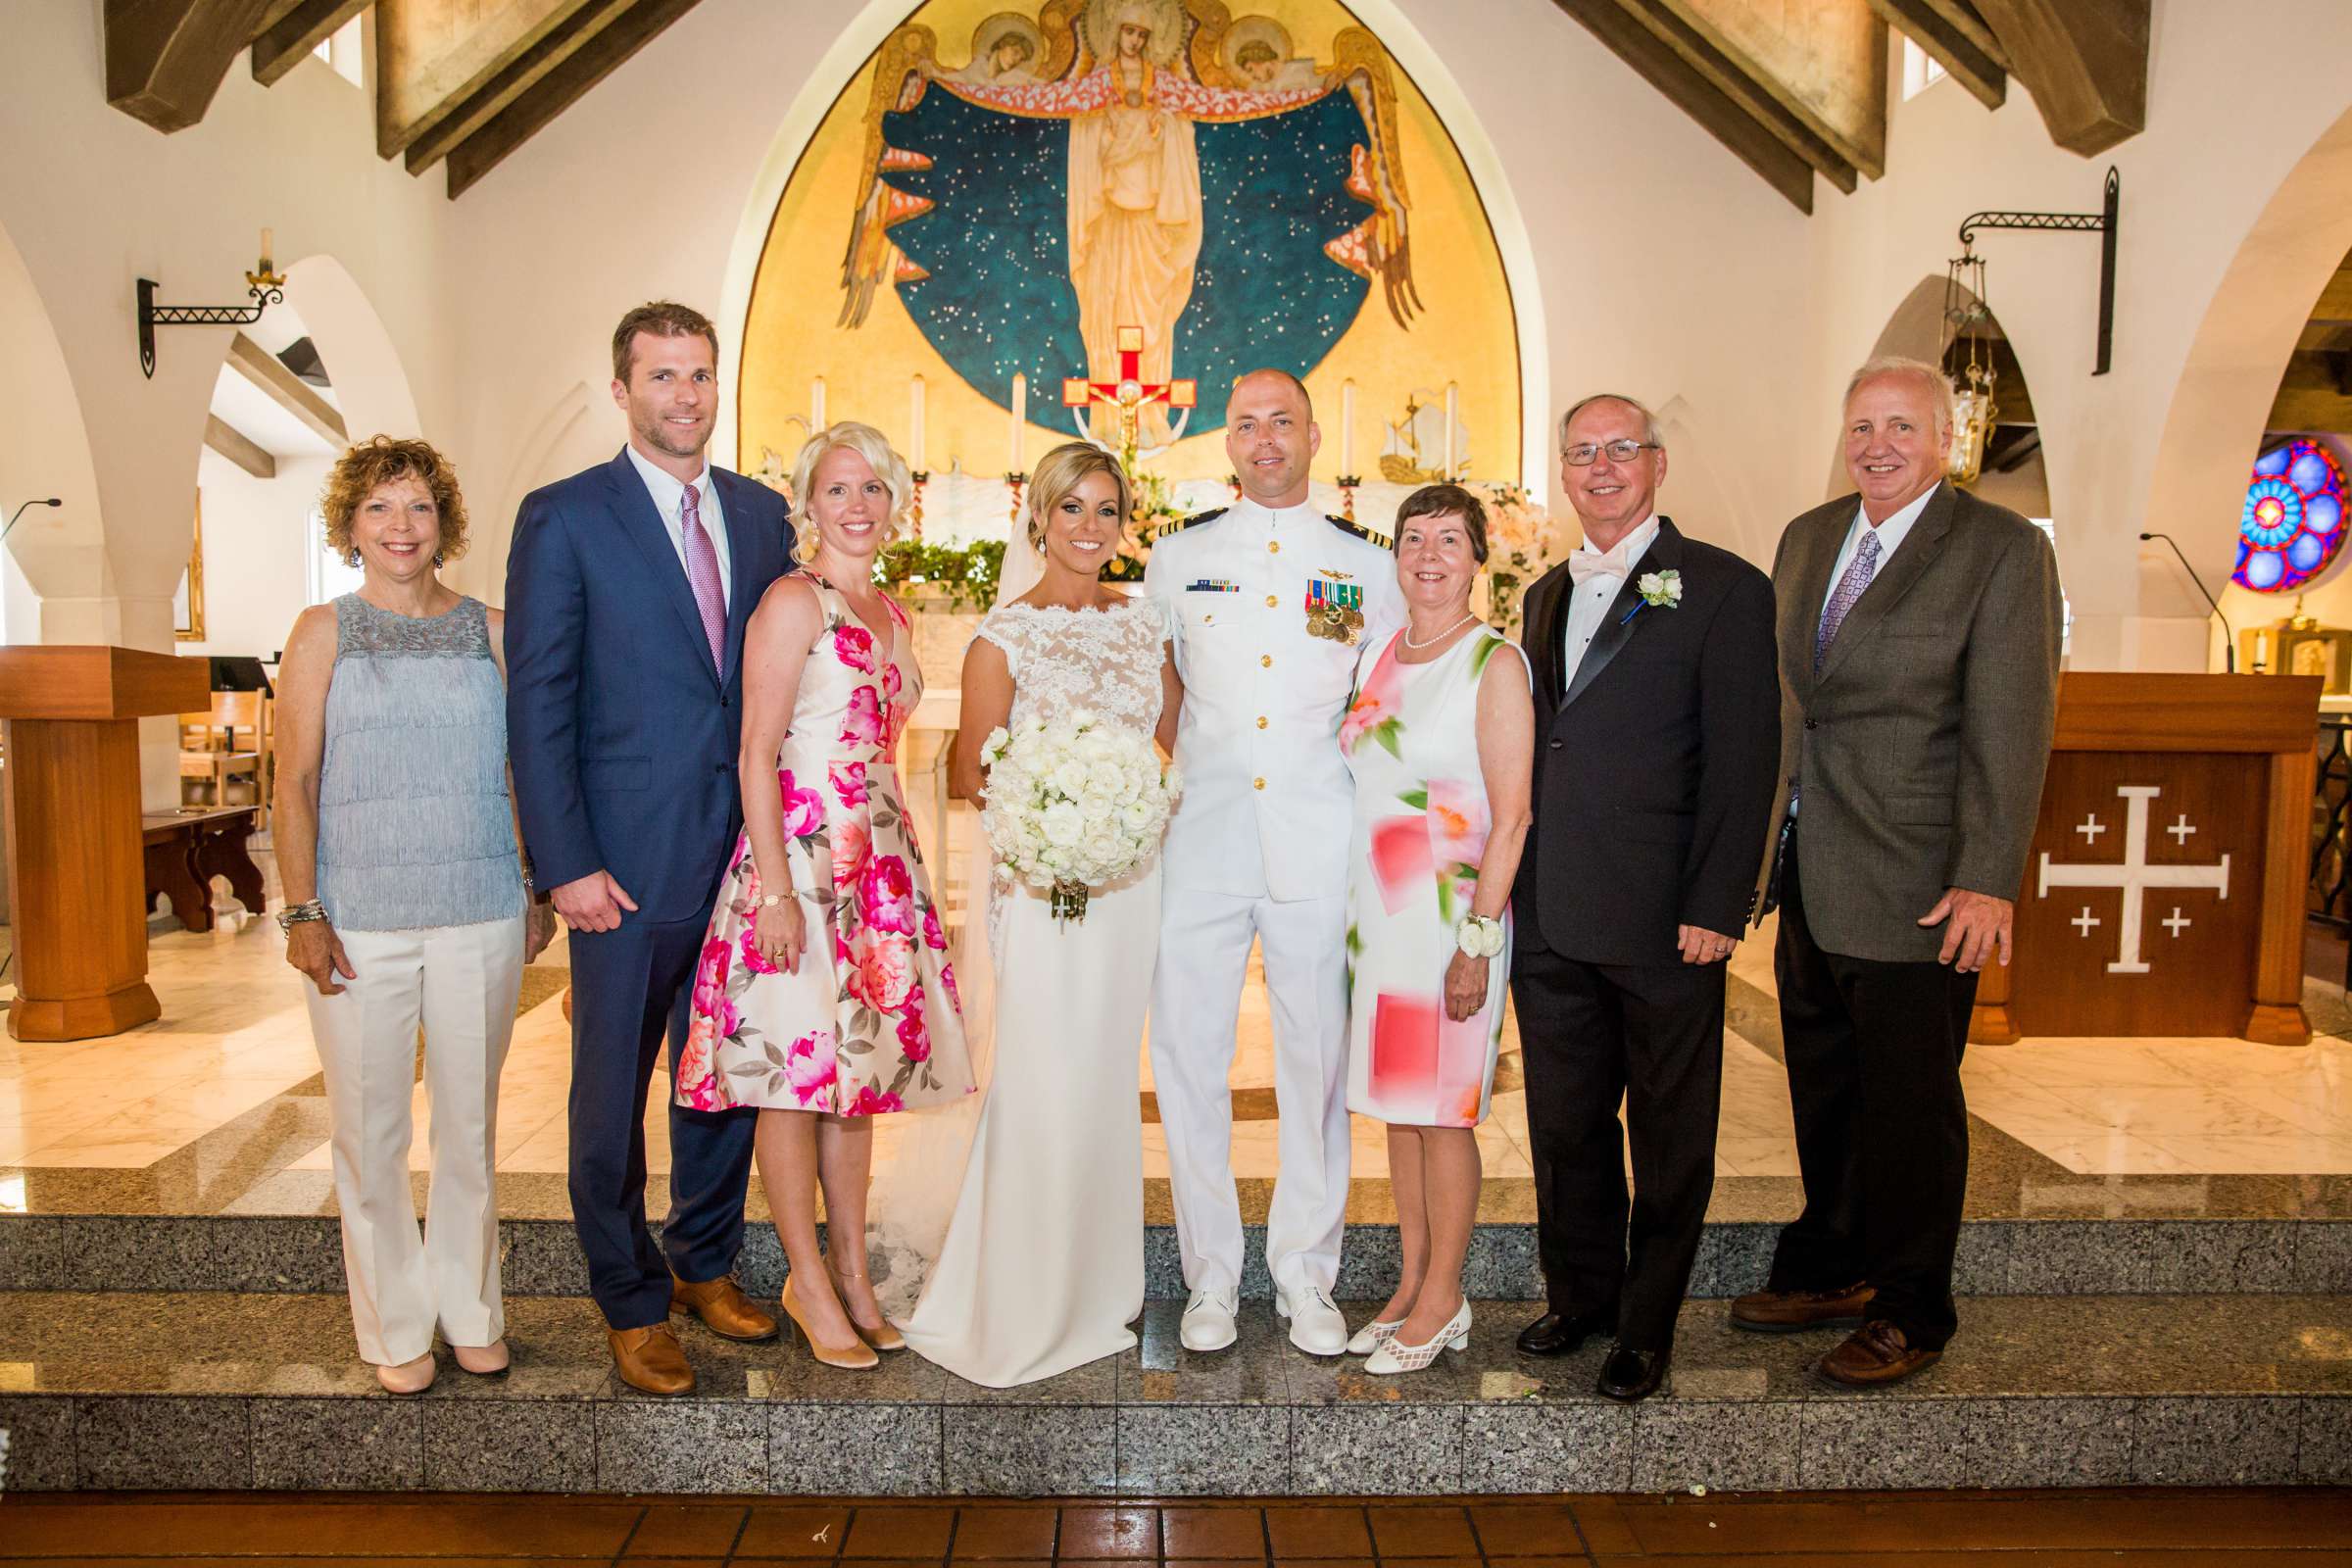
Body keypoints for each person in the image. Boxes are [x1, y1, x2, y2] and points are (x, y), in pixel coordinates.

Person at [1736, 356, 2061, 1387]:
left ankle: (1915, 1305)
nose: (1876, 445)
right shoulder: (1808, 537)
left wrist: (1989, 876)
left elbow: (2013, 724)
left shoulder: (1999, 551)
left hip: (1923, 879)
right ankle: (1835, 1262)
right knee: (1827, 1084)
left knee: (1911, 1104)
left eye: (1899, 427)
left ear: (1945, 439)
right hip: (1813, 869)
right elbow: (1794, 704)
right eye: (1862, 426)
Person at [506, 302, 795, 1396]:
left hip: (742, 855)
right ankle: (628, 1299)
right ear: (621, 389)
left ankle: (702, 1259)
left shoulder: (763, 515)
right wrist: (565, 860)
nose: (685, 395)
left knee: (725, 1074)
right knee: (610, 1090)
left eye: (701, 375)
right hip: (621, 863)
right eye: (662, 376)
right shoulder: (566, 516)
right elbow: (538, 700)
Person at [872, 440, 1182, 1387]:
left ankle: (1094, 1291)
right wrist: (1061, 823)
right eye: (1072, 509)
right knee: (1044, 1078)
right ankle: (1020, 1296)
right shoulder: (1003, 636)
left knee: (1099, 1081)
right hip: (1046, 891)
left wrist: (1118, 816)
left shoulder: (1147, 628)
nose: (1090, 529)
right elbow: (972, 773)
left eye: (1105, 511)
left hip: (1130, 890)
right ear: (1039, 517)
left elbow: (1165, 751)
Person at [678, 420, 975, 1371]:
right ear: (808, 504)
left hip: (878, 866)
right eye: (838, 489)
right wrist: (773, 887)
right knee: (798, 1083)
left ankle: (854, 1274)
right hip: (800, 865)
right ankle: (806, 1281)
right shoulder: (792, 603)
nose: (856, 505)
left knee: (858, 1090)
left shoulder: (893, 613)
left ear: (895, 503)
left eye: (873, 488)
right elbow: (756, 751)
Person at [1507, 396, 1780, 1401]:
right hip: (1553, 912)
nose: (1601, 466)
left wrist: (1717, 903)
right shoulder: (1542, 594)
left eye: (1621, 448)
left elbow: (1746, 760)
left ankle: (1646, 1324)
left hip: (1669, 918)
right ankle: (1579, 1296)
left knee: (1668, 1131)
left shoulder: (1723, 589)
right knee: (1565, 1122)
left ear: (1657, 463)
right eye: (1582, 452)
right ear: (1565, 472)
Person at [275, 435, 555, 1395]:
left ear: (445, 523)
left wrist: (530, 886)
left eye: (419, 509)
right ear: (351, 526)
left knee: (470, 1132)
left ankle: (473, 1312)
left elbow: (523, 773)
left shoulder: (493, 630)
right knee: (373, 1133)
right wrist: (302, 910)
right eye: (380, 510)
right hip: (358, 922)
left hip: (478, 906)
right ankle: (396, 1324)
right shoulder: (323, 632)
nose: (401, 527)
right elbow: (295, 785)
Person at [1145, 368, 1404, 1354]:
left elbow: (1379, 700)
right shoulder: (1178, 558)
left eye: (1281, 421)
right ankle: (1211, 1277)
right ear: (1227, 443)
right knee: (1188, 1057)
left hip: (1316, 840)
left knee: (1315, 1061)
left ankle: (1307, 1276)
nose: (1264, 439)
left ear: (1311, 435)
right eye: (1246, 424)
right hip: (1202, 840)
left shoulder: (1363, 565)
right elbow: (1160, 685)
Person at [1337, 485, 1532, 1375]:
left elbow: (1516, 815)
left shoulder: (1494, 663)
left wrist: (1478, 941)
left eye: (1449, 540)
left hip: (1450, 920)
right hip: (1378, 922)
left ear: (1477, 558)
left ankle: (1447, 1295)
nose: (1428, 555)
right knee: (1397, 1114)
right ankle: (1411, 1281)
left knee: (1444, 1114)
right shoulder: (1379, 651)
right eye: (1413, 538)